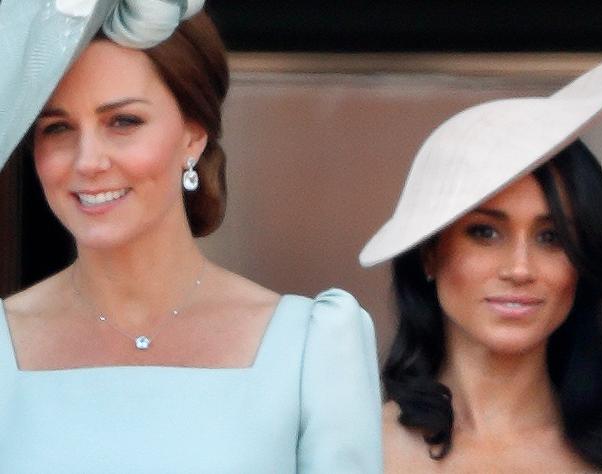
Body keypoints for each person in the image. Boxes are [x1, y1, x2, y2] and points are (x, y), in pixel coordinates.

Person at [0, 1, 382, 472]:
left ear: (193, 135)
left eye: (123, 122)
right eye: (57, 128)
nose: (87, 161)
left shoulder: (311, 348)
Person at [360, 45, 602, 472]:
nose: (519, 269)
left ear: (584, 261)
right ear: (429, 253)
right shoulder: (355, 452)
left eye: (551, 237)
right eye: (485, 233)